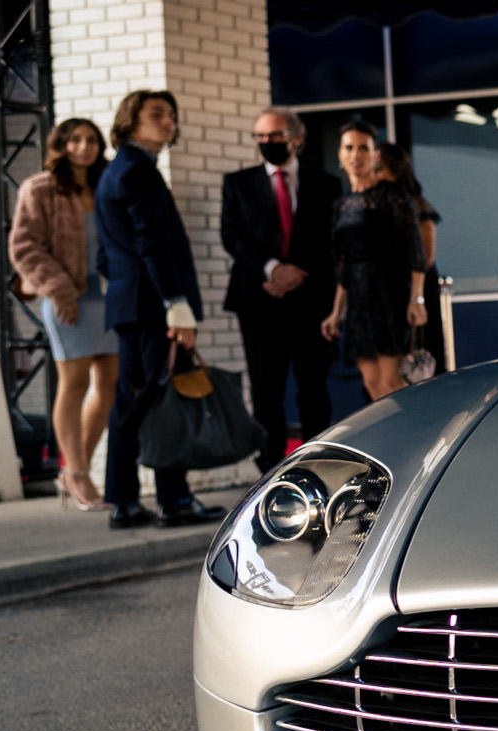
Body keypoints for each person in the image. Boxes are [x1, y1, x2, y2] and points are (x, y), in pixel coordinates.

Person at [95, 89, 222, 529]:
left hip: (133, 303)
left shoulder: (118, 171)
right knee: (160, 398)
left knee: (134, 402)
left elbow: (105, 255)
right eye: (156, 115)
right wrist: (176, 306)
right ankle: (173, 501)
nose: (168, 122)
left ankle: (128, 501)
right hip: (153, 307)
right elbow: (152, 244)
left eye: (170, 115)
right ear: (131, 121)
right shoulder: (137, 172)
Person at [8, 117, 119, 509]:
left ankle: (74, 470)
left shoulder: (104, 185)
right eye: (75, 140)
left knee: (107, 386)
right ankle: (78, 476)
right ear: (61, 144)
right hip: (67, 298)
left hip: (107, 298)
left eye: (91, 140)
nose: (85, 147)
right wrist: (58, 289)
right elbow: (24, 247)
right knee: (73, 383)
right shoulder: (39, 188)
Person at [220, 107, 338, 472]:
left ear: (296, 139)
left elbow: (330, 238)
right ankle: (270, 467)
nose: (267, 142)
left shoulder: (326, 184)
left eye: (275, 135)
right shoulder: (237, 183)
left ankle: (318, 462)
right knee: (265, 388)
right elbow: (231, 237)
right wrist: (272, 269)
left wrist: (297, 272)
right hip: (258, 299)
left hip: (310, 298)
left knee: (313, 387)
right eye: (261, 136)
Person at [321, 120, 426, 401]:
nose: (356, 155)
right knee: (372, 384)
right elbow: (343, 262)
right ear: (340, 154)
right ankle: (393, 443)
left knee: (392, 381)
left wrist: (416, 298)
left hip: (388, 292)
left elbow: (415, 249)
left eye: (363, 148)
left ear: (375, 155)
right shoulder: (341, 205)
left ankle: (416, 440)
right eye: (349, 148)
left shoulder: (394, 195)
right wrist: (336, 311)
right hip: (356, 296)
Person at [377, 141, 445, 365]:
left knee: (418, 359)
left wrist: (414, 296)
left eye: (379, 169)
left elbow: (427, 257)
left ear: (394, 170)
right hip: (387, 293)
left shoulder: (415, 204)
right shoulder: (373, 204)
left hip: (413, 290)